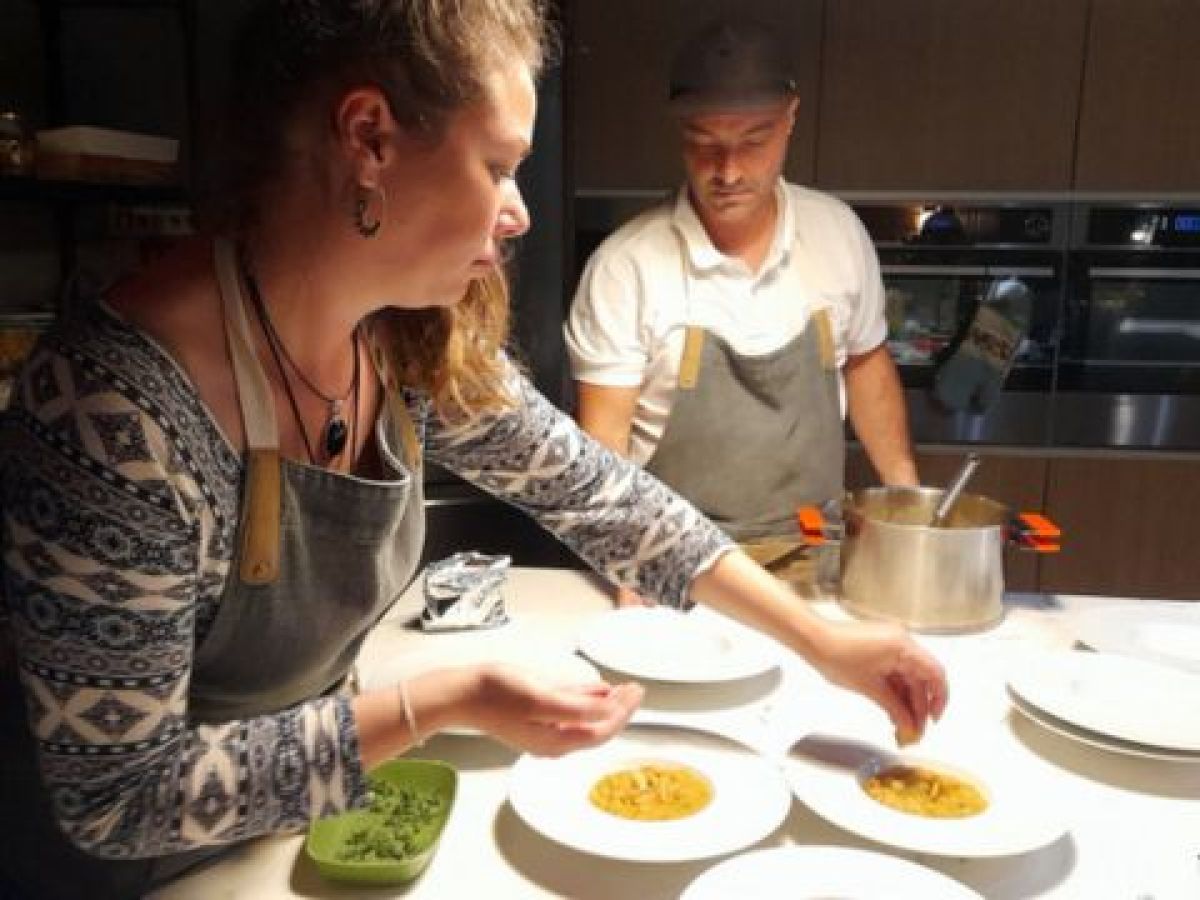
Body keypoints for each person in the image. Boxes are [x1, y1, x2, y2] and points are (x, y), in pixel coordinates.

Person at [0, 3, 945, 898]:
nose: (519, 209)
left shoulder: (403, 341)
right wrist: (441, 701)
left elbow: (608, 500)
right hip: (134, 879)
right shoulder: (111, 412)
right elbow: (120, 798)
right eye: (499, 164)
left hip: (292, 835)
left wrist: (828, 643)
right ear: (368, 139)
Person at [566, 17, 919, 599]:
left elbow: (866, 366)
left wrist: (907, 506)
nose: (727, 171)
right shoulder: (625, 266)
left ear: (790, 119)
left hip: (815, 559)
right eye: (704, 144)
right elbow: (603, 448)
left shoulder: (836, 234)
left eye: (753, 142)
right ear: (679, 131)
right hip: (676, 566)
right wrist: (629, 572)